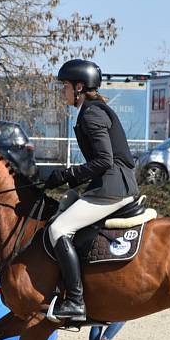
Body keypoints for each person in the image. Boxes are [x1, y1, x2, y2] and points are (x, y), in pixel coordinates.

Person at [43, 59, 140, 321]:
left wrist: (66, 174)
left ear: (79, 87)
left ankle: (75, 300)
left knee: (58, 229)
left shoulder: (92, 113)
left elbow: (103, 161)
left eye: (64, 86)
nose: (61, 91)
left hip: (112, 187)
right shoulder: (92, 110)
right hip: (109, 183)